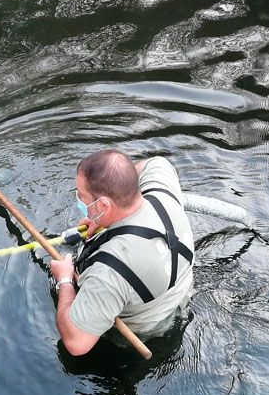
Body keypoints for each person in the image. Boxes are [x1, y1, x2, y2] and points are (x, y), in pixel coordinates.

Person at [49, 150, 194, 355]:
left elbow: (76, 344)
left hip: (147, 332)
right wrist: (99, 218)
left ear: (103, 205)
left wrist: (64, 279)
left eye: (80, 195)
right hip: (181, 296)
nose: (78, 199)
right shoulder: (162, 192)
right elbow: (154, 162)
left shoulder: (109, 272)